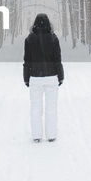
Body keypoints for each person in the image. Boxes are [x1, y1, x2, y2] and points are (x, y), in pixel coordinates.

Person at [23, 13, 63, 142]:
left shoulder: (29, 39)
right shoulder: (53, 38)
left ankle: (36, 136)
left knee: (35, 109)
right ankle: (51, 135)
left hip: (35, 78)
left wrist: (26, 78)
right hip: (52, 77)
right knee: (51, 108)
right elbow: (58, 60)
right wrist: (60, 76)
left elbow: (27, 61)